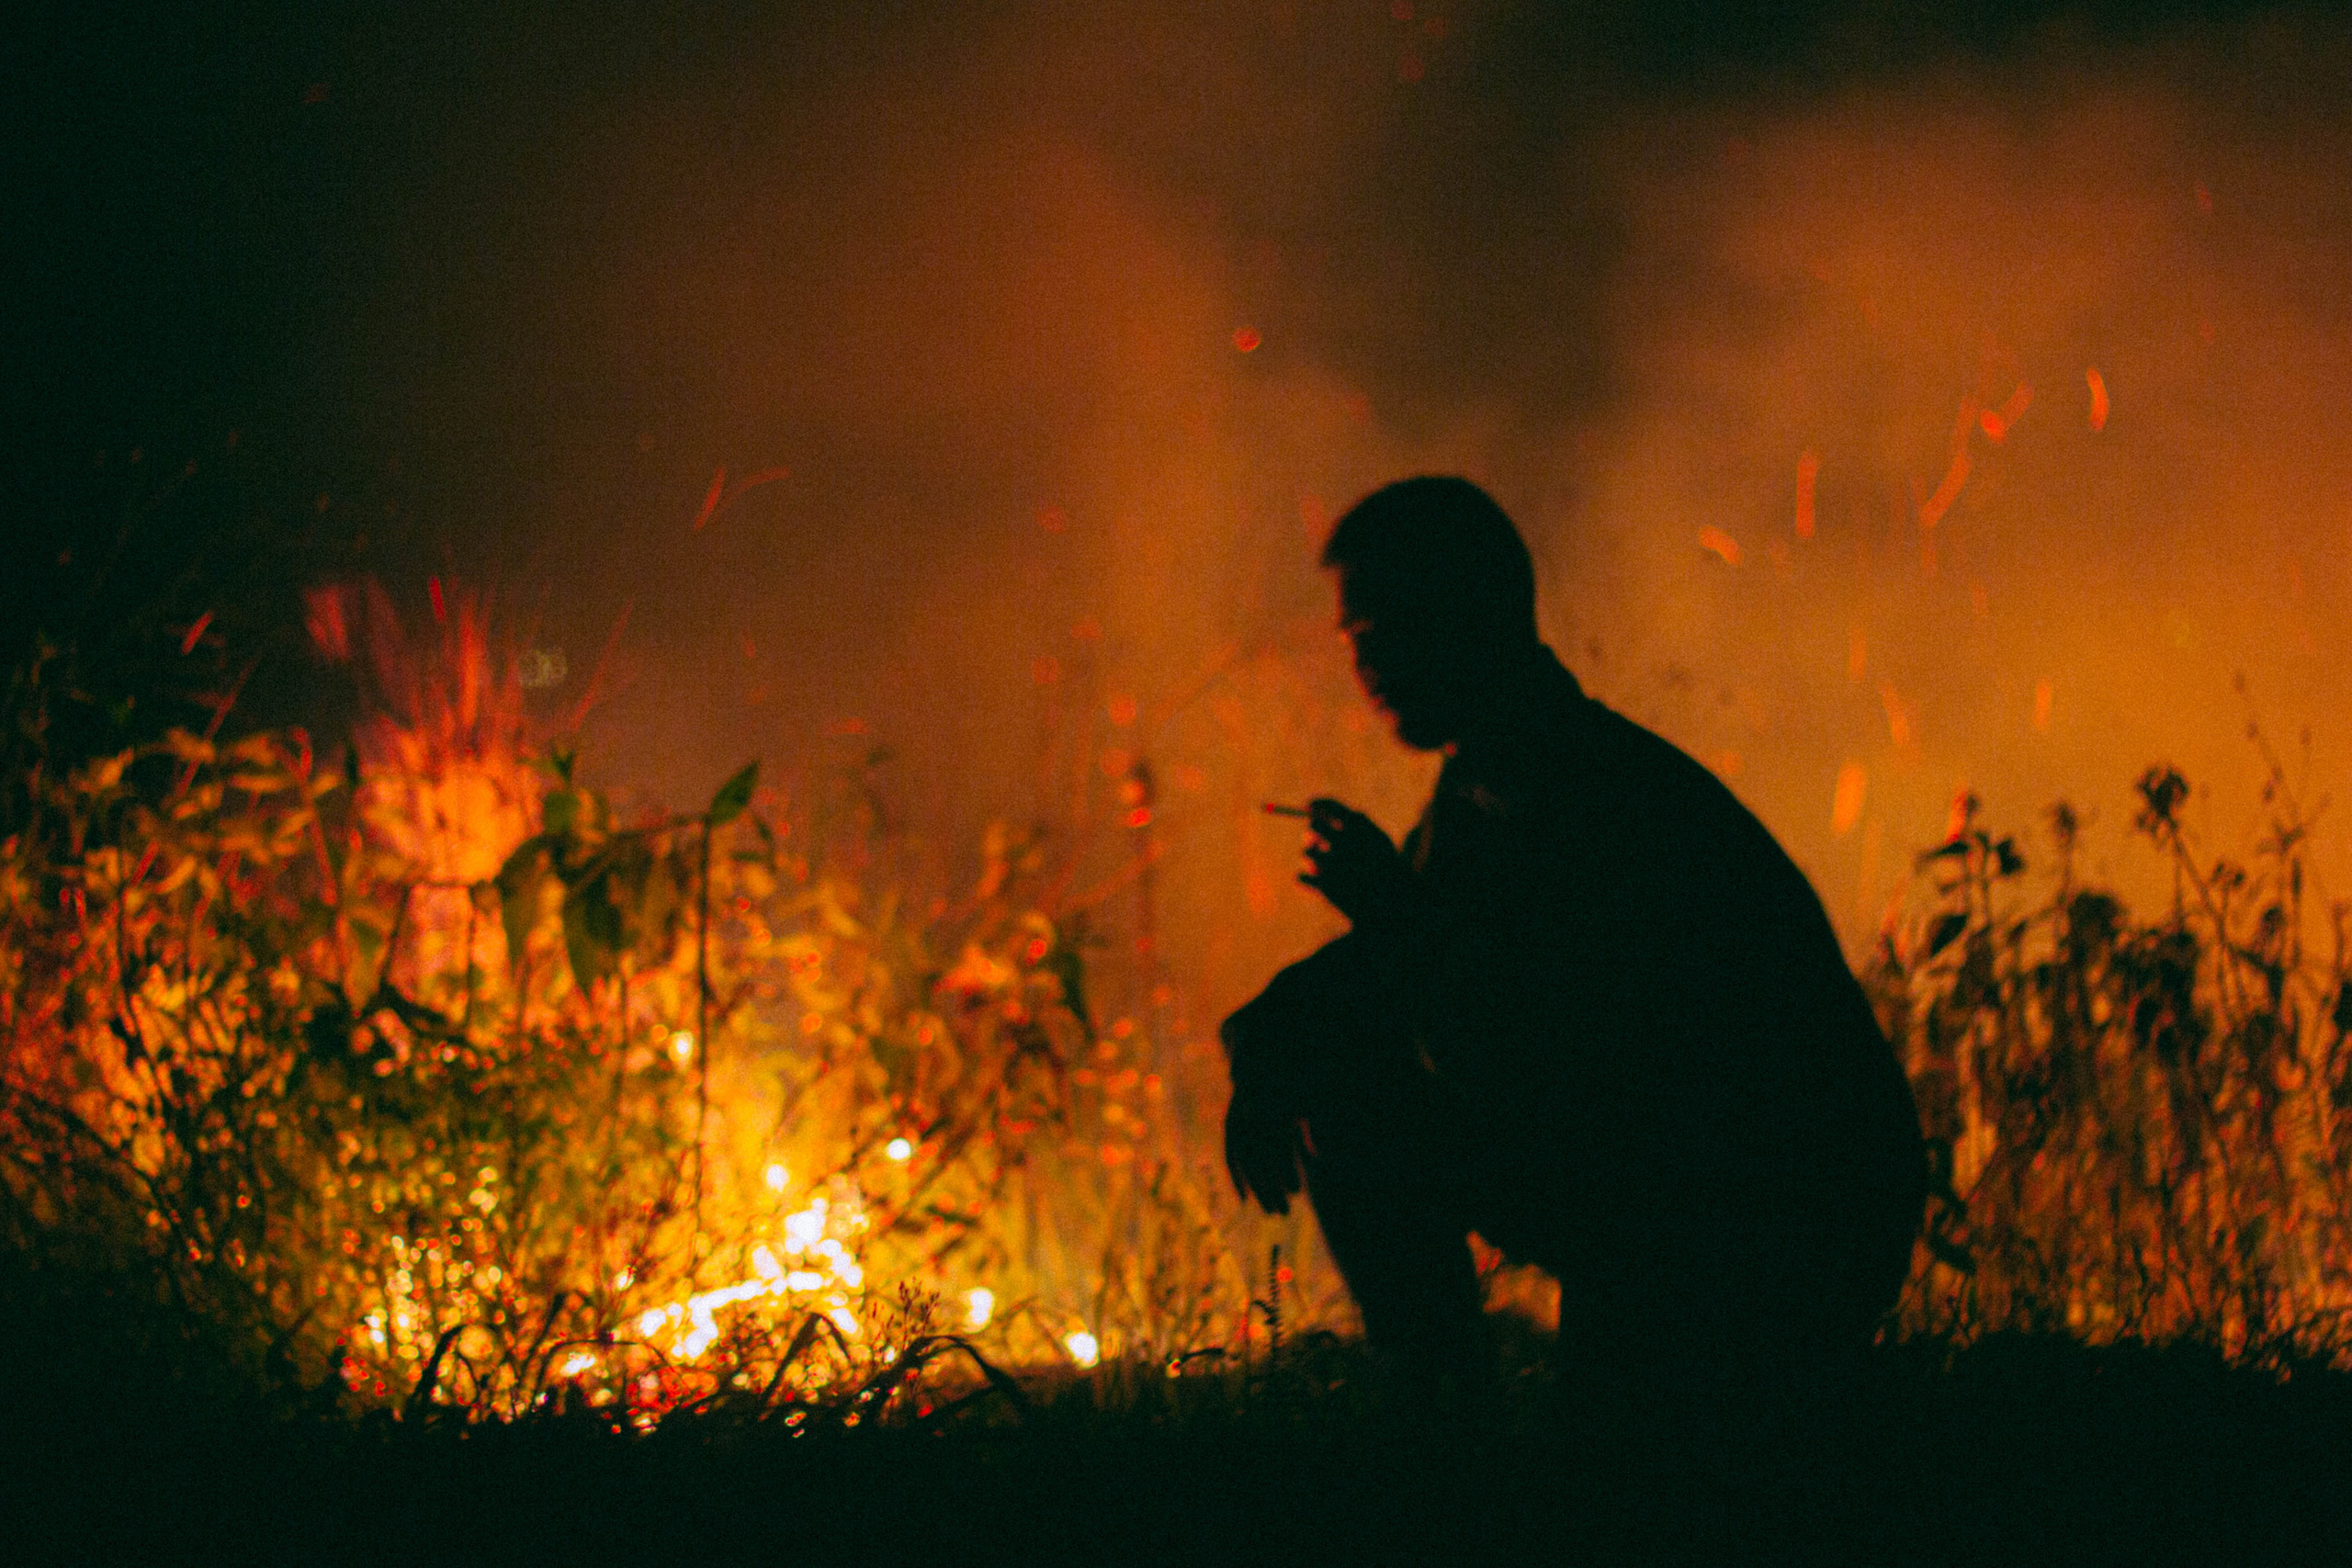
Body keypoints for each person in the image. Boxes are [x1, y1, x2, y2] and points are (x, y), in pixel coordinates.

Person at [1221, 476, 1927, 1395]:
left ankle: (1440, 1418)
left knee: (1356, 1095)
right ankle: (1462, 1408)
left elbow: (1537, 1046)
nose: (1367, 664)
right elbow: (1395, 980)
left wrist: (1391, 918)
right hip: (1719, 1196)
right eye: (1354, 638)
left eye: (1389, 627)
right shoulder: (1499, 779)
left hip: (1780, 1219)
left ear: (1473, 612)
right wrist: (1270, 1039)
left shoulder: (1588, 797)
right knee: (1333, 1068)